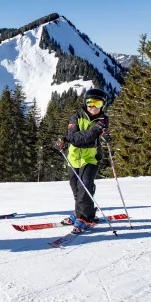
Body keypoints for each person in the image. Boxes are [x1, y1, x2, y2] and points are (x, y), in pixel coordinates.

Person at [58, 88, 110, 233]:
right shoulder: (76, 116)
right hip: (73, 158)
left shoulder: (103, 120)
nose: (93, 107)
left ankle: (86, 217)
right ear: (85, 103)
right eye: (90, 103)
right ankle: (79, 213)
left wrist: (101, 135)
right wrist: (93, 133)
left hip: (91, 158)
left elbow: (76, 138)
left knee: (85, 186)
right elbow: (73, 137)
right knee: (76, 188)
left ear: (103, 105)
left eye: (97, 103)